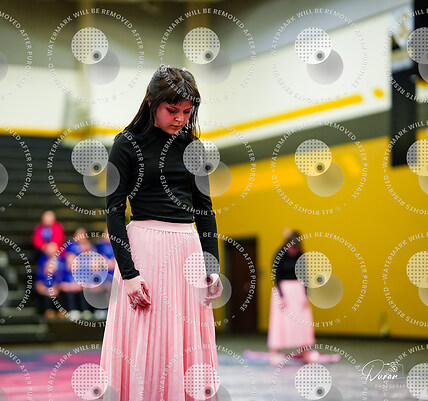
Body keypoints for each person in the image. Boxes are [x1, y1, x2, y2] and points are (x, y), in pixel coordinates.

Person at [100, 65, 224, 400]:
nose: (180, 119)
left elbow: (205, 211)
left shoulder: (194, 148)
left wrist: (211, 267)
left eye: (187, 111)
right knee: (145, 339)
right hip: (145, 250)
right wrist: (129, 274)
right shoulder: (126, 144)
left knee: (185, 342)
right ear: (152, 103)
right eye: (172, 110)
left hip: (187, 251)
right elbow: (114, 211)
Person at [245, 229, 339, 365]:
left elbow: (305, 276)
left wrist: (306, 295)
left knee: (302, 321)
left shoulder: (301, 256)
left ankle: (305, 350)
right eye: (291, 247)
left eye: (296, 248)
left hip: (298, 291)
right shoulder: (279, 254)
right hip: (283, 291)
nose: (293, 251)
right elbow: (276, 275)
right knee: (280, 322)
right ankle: (275, 351)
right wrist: (282, 295)